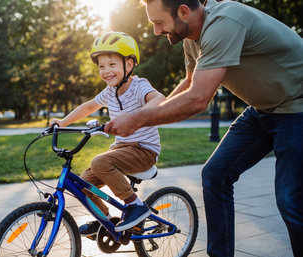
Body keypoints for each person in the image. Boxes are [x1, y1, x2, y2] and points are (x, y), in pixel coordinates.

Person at [104, 0, 303, 256]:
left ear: (183, 12)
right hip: (263, 109)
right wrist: (139, 114)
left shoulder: (224, 23)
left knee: (291, 201)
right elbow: (189, 85)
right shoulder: (190, 37)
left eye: (159, 23)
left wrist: (137, 121)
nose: (156, 31)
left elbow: (198, 99)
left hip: (297, 107)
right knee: (215, 175)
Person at [50, 31, 165, 235]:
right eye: (101, 66)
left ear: (128, 65)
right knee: (82, 184)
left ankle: (135, 206)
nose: (106, 71)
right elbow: (88, 107)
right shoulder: (110, 91)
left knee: (99, 162)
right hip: (121, 149)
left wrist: (134, 117)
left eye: (112, 64)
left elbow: (159, 99)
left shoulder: (139, 86)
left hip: (144, 151)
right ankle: (105, 220)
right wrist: (62, 121)